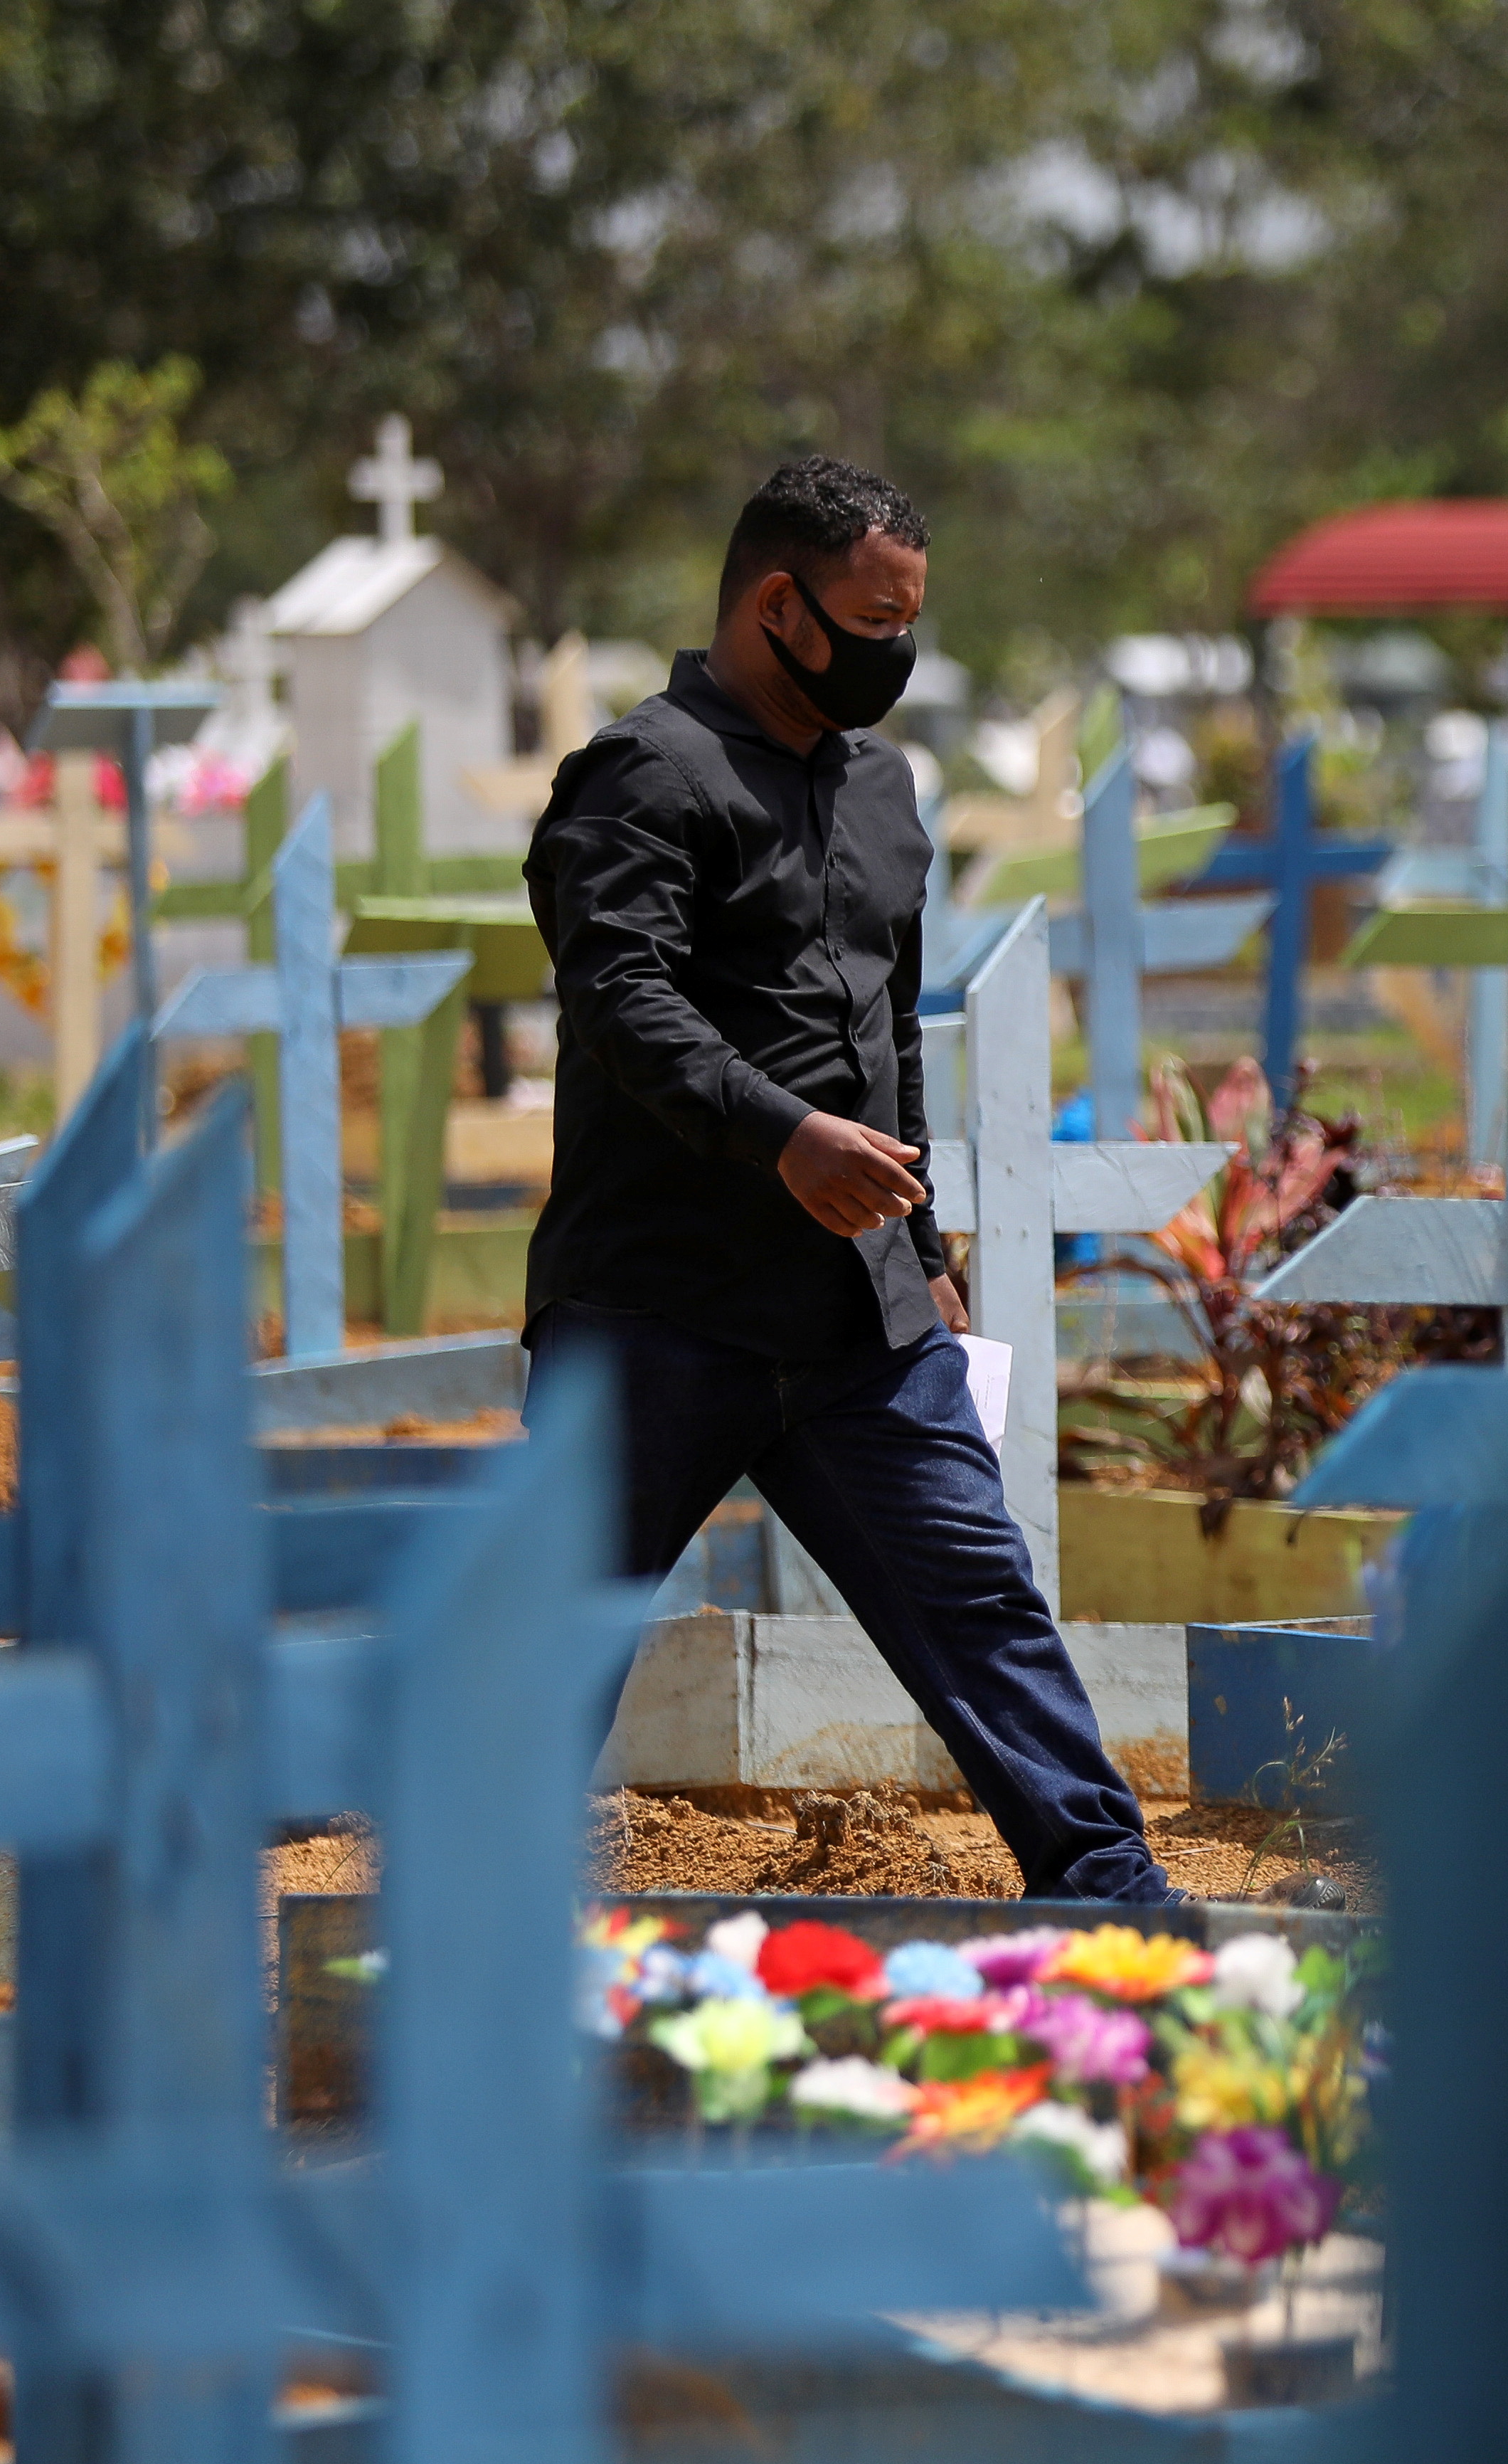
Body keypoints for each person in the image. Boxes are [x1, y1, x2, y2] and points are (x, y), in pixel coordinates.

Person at [525, 453, 1182, 1910]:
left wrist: (926, 1241)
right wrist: (782, 1139)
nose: (899, 654)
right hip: (651, 1311)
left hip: (856, 1321)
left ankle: (1114, 1895)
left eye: (912, 624)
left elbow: (883, 1034)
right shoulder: (640, 779)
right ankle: (447, 1959)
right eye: (878, 622)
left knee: (985, 1611)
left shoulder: (883, 791)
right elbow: (619, 998)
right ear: (780, 605)